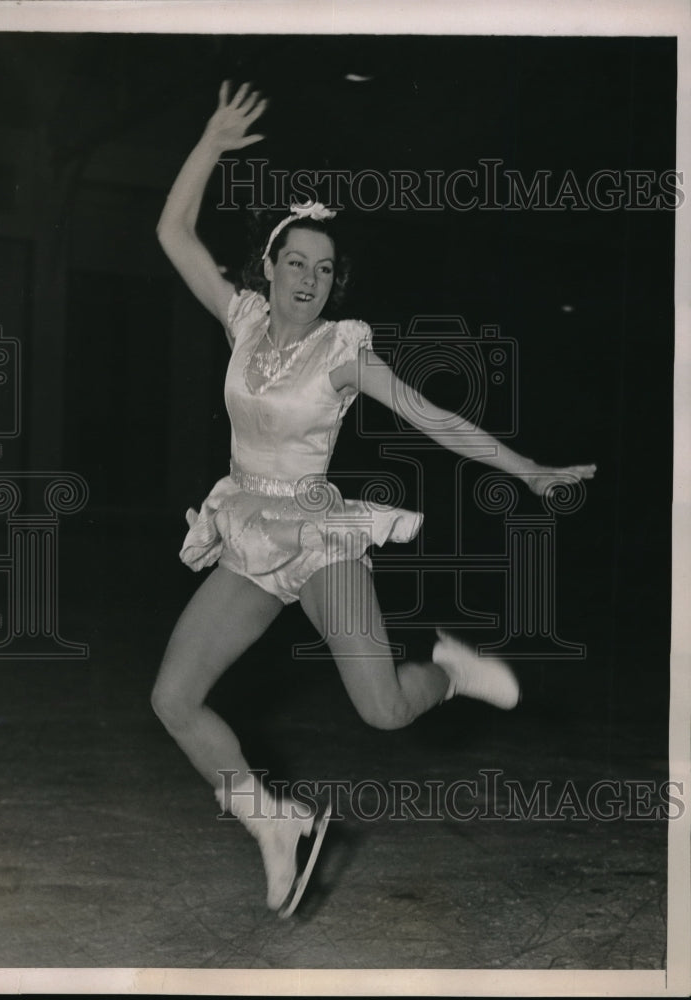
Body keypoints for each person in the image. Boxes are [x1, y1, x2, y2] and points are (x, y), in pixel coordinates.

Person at [151, 80, 597, 918]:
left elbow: (433, 417)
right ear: (271, 266)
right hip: (249, 528)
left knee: (384, 710)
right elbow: (172, 233)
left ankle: (451, 673)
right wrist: (210, 142)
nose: (309, 280)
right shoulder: (242, 319)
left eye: (324, 270)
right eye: (296, 264)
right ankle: (274, 825)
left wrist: (526, 468)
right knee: (173, 699)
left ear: (332, 283)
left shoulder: (342, 354)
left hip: (315, 535)